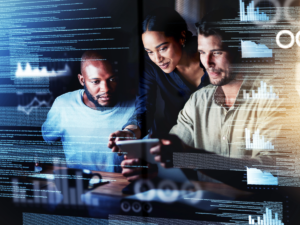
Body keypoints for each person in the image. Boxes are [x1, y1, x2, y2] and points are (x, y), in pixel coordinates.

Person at [108, 8, 209, 180]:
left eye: (162, 48)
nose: (157, 58)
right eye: (149, 52)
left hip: (216, 144)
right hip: (178, 145)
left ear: (182, 36)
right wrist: (130, 133)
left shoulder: (210, 55)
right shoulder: (150, 67)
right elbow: (145, 108)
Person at [42, 51, 135, 172]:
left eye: (112, 79)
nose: (105, 89)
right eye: (96, 81)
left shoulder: (136, 106)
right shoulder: (63, 104)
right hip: (78, 187)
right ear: (82, 80)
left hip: (118, 188)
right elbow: (46, 141)